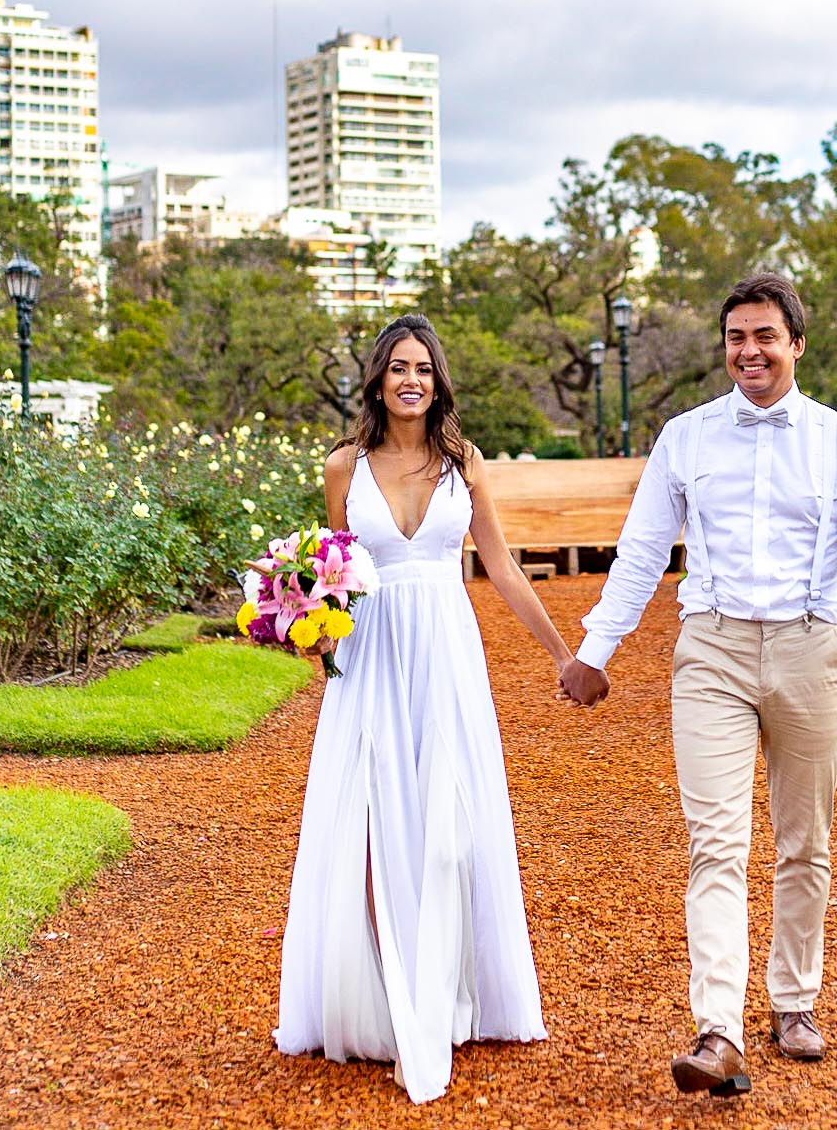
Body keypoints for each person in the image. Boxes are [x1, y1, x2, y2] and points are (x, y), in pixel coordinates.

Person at [558, 271, 837, 1098]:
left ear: (795, 343)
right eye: (735, 338)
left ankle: (793, 1002)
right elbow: (643, 549)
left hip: (809, 651)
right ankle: (717, 1029)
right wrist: (595, 647)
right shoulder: (686, 437)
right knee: (714, 843)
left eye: (763, 336)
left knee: (803, 842)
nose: (748, 351)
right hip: (710, 651)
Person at [273, 313, 573, 1103]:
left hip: (445, 652)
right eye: (399, 366)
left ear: (438, 382)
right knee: (372, 828)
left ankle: (436, 1002)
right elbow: (329, 571)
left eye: (426, 369)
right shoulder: (344, 464)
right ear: (378, 378)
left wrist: (564, 655)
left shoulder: (463, 463)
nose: (412, 379)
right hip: (369, 656)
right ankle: (392, 1006)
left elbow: (502, 568)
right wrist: (306, 623)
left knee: (447, 832)